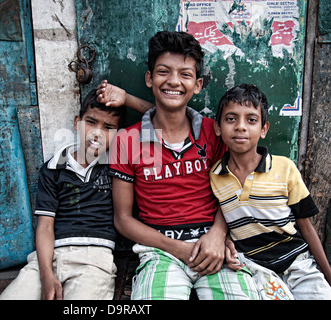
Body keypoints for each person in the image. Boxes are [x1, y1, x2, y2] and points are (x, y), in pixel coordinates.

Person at [101, 31, 259, 300]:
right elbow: (123, 219)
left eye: (185, 74)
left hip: (212, 245)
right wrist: (178, 248)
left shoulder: (215, 132)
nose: (174, 81)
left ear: (197, 85)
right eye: (164, 72)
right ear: (150, 79)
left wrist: (218, 234)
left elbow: (236, 190)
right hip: (158, 251)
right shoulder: (127, 140)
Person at [0, 89, 125, 300]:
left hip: (94, 260)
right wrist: (46, 275)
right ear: (77, 122)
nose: (97, 133)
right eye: (91, 122)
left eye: (108, 127)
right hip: (50, 257)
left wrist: (127, 99)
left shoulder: (117, 166)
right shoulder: (53, 167)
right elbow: (46, 225)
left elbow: (165, 118)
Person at [210, 83, 331, 300]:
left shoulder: (285, 168)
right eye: (231, 119)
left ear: (264, 129)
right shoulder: (216, 176)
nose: (240, 126)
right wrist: (227, 242)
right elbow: (227, 217)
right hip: (254, 269)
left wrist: (328, 274)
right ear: (218, 128)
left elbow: (307, 227)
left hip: (297, 263)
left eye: (251, 120)